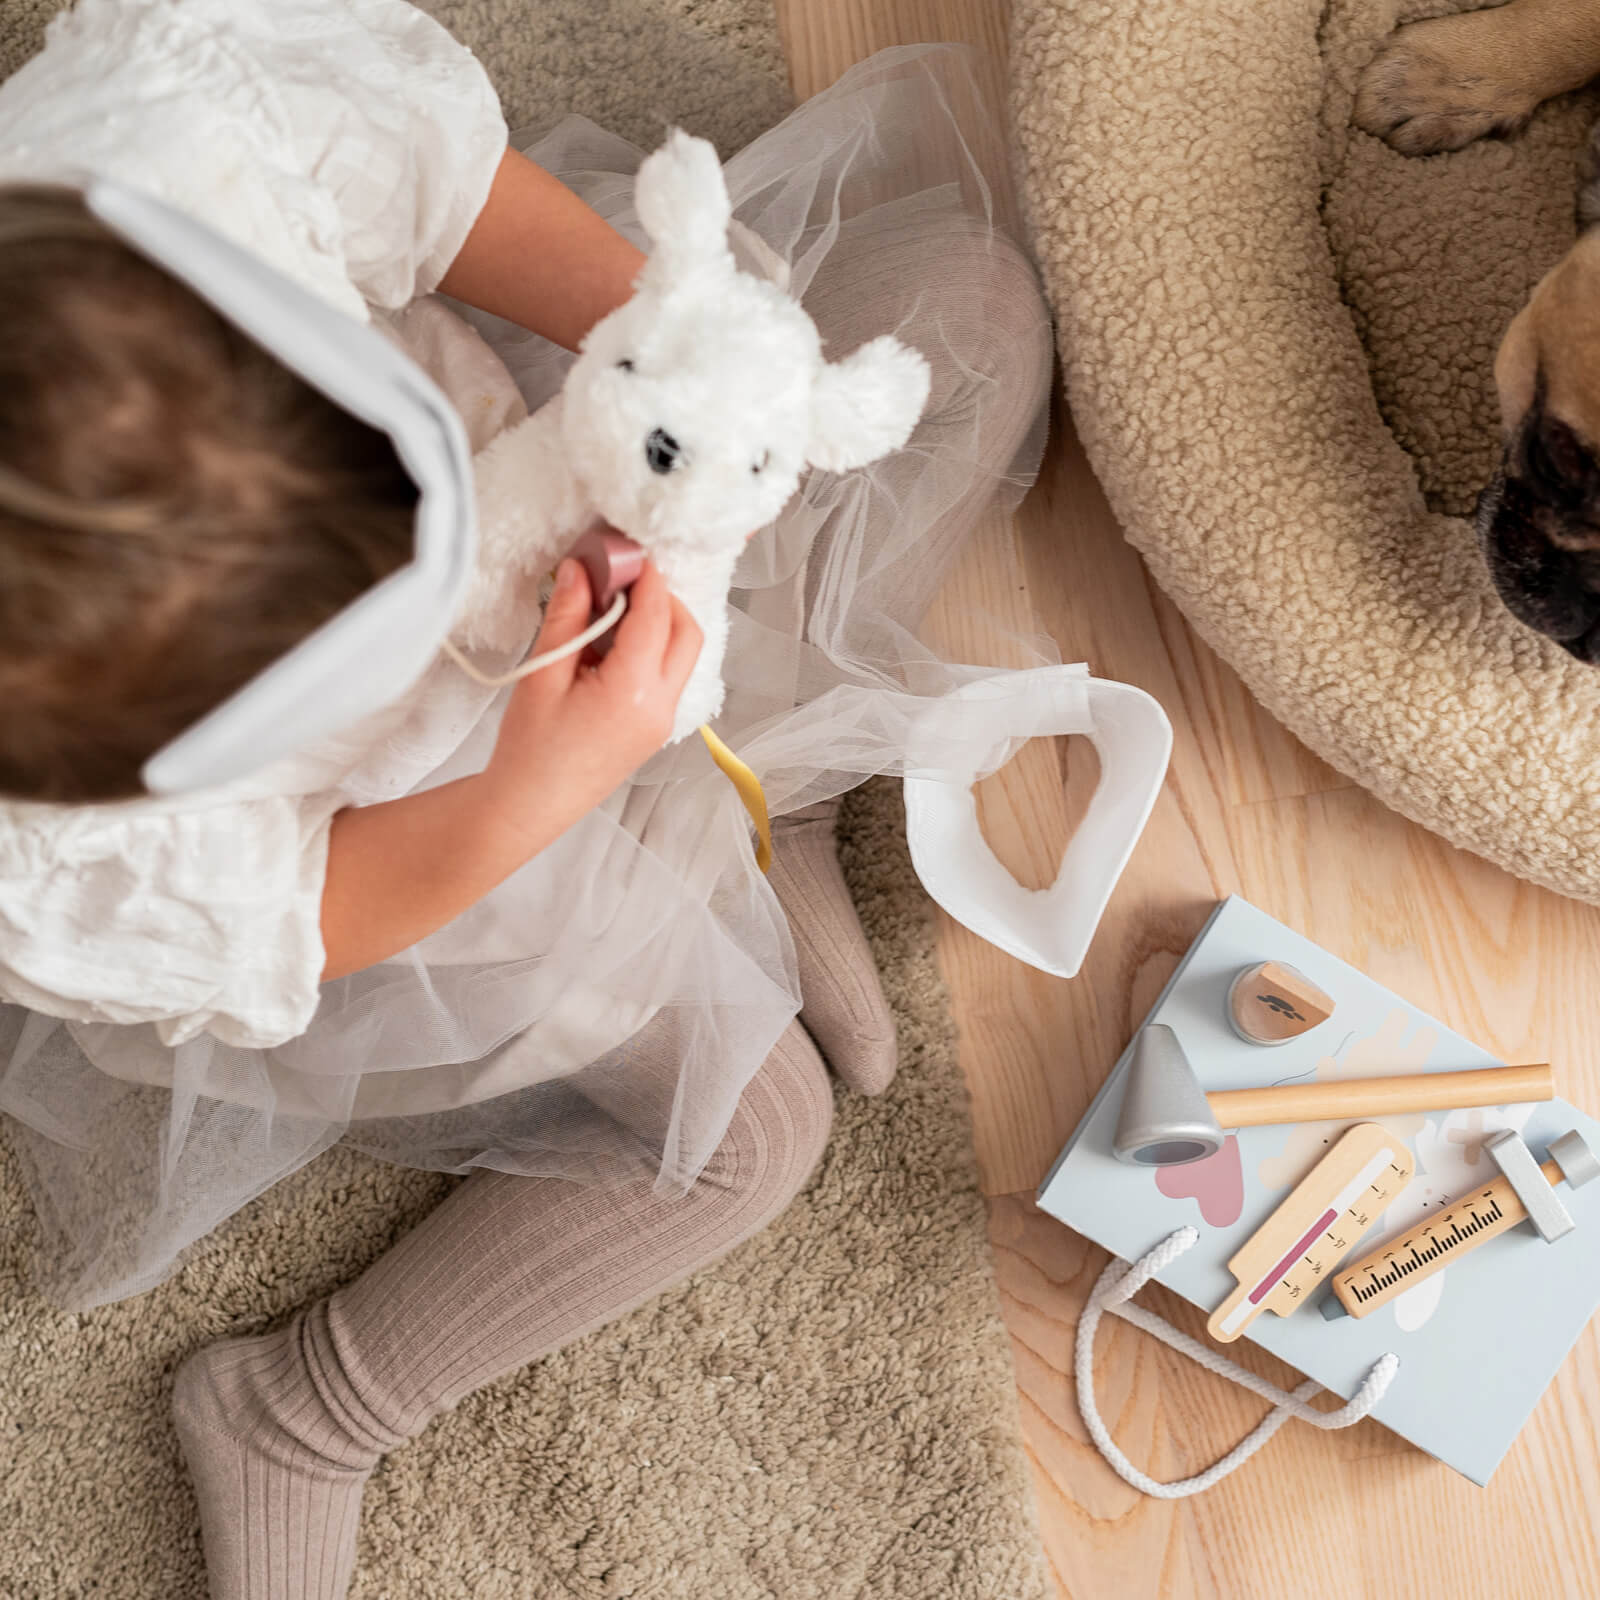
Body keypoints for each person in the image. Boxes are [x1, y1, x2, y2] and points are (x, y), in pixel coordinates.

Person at [0, 2, 1054, 1595]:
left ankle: (779, 792)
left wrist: (682, 418)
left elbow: (456, 196)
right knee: (758, 1141)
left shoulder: (161, 135)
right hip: (432, 826)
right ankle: (305, 1409)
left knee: (970, 306)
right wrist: (548, 783)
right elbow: (326, 909)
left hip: (559, 448)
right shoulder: (56, 853)